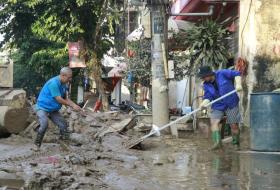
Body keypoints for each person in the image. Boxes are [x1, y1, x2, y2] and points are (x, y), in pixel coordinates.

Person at [33, 67, 81, 151]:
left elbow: (65, 98)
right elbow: (58, 99)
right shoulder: (53, 83)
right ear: (63, 75)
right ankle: (36, 145)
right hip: (42, 107)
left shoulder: (64, 84)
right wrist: (72, 106)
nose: (70, 79)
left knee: (63, 124)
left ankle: (64, 143)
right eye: (69, 77)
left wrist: (75, 105)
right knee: (44, 124)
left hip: (53, 109)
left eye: (70, 77)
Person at [198, 66, 242, 150]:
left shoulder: (222, 73)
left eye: (204, 77)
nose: (203, 79)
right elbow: (208, 96)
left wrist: (238, 84)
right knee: (214, 122)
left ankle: (236, 143)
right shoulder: (206, 85)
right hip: (218, 104)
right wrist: (204, 103)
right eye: (202, 77)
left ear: (209, 74)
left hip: (231, 102)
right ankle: (217, 143)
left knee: (233, 125)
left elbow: (236, 73)